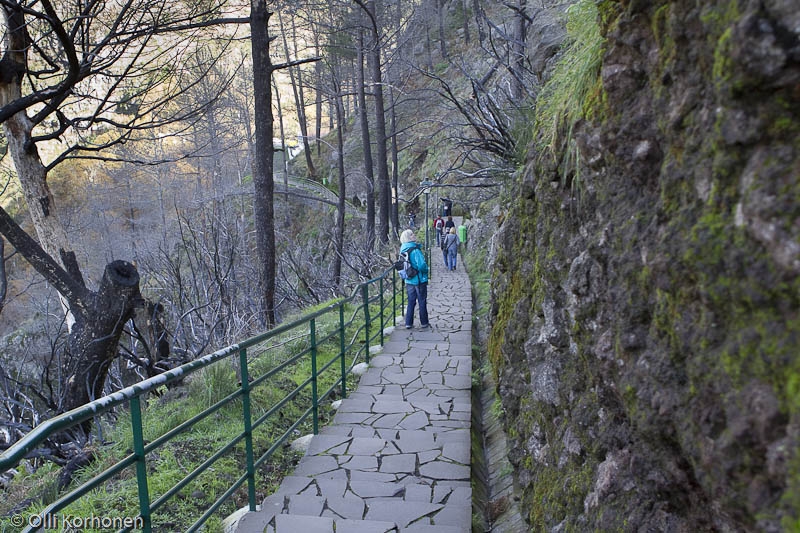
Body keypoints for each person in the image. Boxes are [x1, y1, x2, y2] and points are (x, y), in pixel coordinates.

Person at [399, 229, 430, 329]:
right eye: (412, 234)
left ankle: (408, 323)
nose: (414, 235)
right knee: (422, 301)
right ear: (408, 237)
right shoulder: (415, 250)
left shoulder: (402, 249)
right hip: (419, 279)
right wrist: (426, 270)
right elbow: (421, 265)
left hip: (409, 279)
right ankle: (424, 322)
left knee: (411, 301)